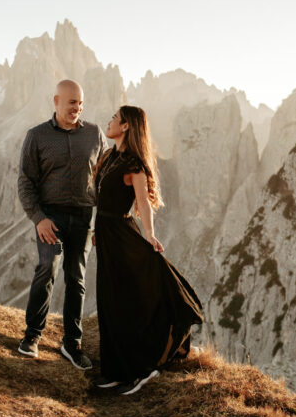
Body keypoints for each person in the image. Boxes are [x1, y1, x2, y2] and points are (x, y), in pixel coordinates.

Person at [90, 105, 204, 395]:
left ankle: (141, 369)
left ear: (126, 126)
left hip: (122, 235)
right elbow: (103, 199)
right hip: (105, 235)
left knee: (127, 301)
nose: (109, 120)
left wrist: (150, 235)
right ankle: (115, 371)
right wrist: (95, 227)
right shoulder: (109, 157)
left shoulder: (134, 165)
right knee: (109, 300)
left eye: (114, 118)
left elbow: (142, 203)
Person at [16, 79, 108, 369]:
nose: (77, 109)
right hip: (50, 217)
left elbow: (105, 179)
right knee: (47, 268)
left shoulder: (94, 134)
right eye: (71, 103)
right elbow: (25, 182)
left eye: (80, 103)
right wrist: (39, 219)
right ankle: (32, 336)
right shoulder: (37, 136)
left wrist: (102, 223)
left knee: (76, 278)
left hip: (83, 216)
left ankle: (72, 344)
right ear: (56, 101)